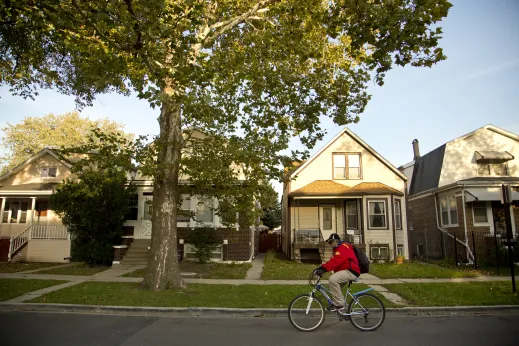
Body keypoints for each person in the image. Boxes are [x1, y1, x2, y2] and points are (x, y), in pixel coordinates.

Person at [313, 233, 360, 313]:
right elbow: (332, 262)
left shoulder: (343, 247)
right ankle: (344, 309)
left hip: (351, 271)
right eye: (329, 242)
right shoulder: (338, 249)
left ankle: (339, 305)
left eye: (331, 242)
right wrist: (322, 267)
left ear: (336, 241)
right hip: (347, 270)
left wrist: (324, 269)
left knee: (333, 279)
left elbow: (336, 262)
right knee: (336, 291)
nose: (330, 244)